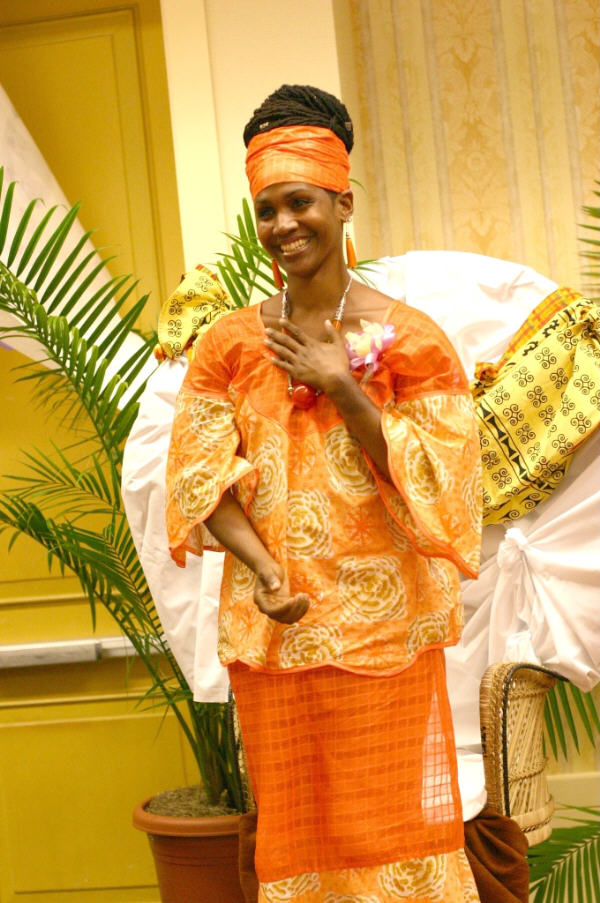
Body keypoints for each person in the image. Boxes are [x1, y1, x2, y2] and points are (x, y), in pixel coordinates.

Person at [165, 85, 483, 902]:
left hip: (385, 630)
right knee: (299, 844)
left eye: (300, 202)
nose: (283, 225)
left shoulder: (407, 338)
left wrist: (343, 385)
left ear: (343, 203)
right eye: (266, 210)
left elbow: (445, 488)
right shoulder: (229, 345)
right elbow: (199, 476)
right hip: (277, 631)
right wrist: (265, 570)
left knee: (391, 834)